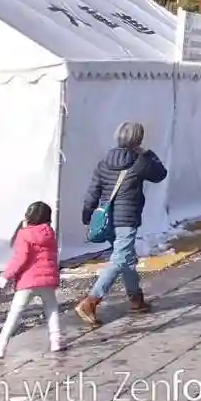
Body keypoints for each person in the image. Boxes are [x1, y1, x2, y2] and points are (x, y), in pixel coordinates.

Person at [75, 121, 170, 327]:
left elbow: (92, 192)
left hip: (107, 219)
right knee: (120, 259)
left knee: (126, 258)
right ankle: (91, 301)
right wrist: (148, 154)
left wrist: (87, 215)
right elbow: (160, 174)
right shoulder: (140, 162)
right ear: (138, 140)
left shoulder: (104, 162)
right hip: (126, 219)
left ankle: (136, 300)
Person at [0, 201, 63, 358]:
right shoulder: (50, 233)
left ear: (28, 216)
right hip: (48, 281)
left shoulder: (24, 234)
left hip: (28, 281)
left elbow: (20, 258)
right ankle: (56, 340)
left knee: (15, 313)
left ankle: (0, 346)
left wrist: (6, 275)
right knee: (51, 308)